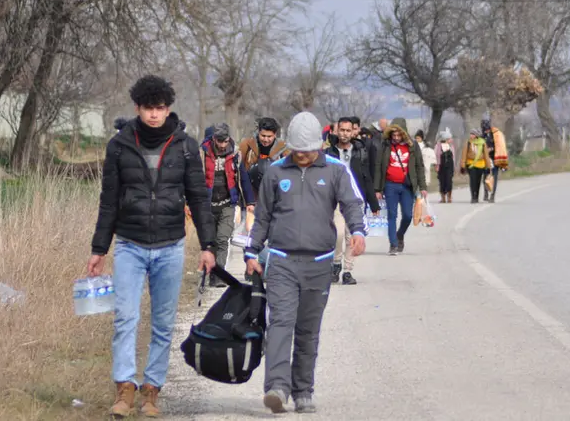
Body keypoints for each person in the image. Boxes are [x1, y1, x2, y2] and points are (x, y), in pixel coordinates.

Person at [87, 75, 216, 418]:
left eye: (160, 109)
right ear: (138, 108)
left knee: (162, 322)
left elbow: (199, 198)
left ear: (168, 108)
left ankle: (152, 391)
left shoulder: (186, 146)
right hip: (129, 244)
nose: (155, 115)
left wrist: (208, 245)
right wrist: (99, 249)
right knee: (126, 318)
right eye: (149, 109)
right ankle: (124, 388)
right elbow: (108, 201)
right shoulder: (119, 146)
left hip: (171, 246)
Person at [243, 111, 367, 414]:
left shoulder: (336, 170)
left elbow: (352, 203)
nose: (303, 156)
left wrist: (359, 232)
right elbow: (262, 217)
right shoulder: (275, 172)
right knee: (281, 323)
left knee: (308, 329)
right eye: (297, 151)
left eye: (308, 151)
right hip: (282, 261)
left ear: (320, 146)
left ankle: (303, 391)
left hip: (320, 262)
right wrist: (251, 252)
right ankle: (277, 388)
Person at [325, 116, 380, 285]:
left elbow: (367, 177)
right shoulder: (329, 153)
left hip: (355, 199)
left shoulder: (360, 151)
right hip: (334, 200)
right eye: (342, 130)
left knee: (352, 236)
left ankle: (348, 270)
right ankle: (335, 263)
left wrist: (373, 202)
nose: (345, 134)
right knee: (338, 234)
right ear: (336, 131)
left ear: (353, 132)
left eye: (348, 130)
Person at [201, 123, 251, 287]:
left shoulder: (235, 154)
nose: (222, 145)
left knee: (223, 239)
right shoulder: (203, 154)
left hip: (228, 203)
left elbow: (243, 178)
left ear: (229, 139)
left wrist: (250, 201)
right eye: (219, 141)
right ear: (214, 139)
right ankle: (211, 273)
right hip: (208, 203)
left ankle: (219, 276)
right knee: (211, 240)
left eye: (225, 141)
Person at [374, 121, 428, 256]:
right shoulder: (385, 145)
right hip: (390, 185)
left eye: (399, 135)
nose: (396, 137)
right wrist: (377, 189)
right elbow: (379, 166)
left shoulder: (413, 145)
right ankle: (393, 244)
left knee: (408, 216)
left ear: (404, 133)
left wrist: (423, 186)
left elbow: (419, 166)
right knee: (392, 215)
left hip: (407, 186)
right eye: (394, 135)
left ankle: (400, 234)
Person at [460, 129, 493, 204]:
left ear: (476, 135)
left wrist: (488, 166)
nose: (471, 135)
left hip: (481, 165)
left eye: (473, 134)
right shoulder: (468, 143)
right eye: (471, 134)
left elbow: (486, 155)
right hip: (471, 164)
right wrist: (463, 165)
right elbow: (464, 154)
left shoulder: (482, 143)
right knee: (472, 181)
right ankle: (473, 197)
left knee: (478, 181)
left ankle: (476, 196)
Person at [480, 119, 509, 203]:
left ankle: (492, 195)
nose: (485, 130)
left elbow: (500, 146)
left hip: (495, 158)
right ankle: (486, 193)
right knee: (485, 176)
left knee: (494, 177)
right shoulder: (482, 136)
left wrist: (491, 149)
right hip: (485, 159)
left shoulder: (496, 134)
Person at [434, 129, 455, 203]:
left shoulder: (451, 146)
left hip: (450, 166)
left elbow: (453, 157)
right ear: (446, 139)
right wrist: (436, 166)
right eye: (449, 138)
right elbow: (435, 156)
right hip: (441, 166)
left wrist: (454, 167)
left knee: (449, 182)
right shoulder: (438, 146)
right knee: (442, 182)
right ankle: (443, 198)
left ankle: (449, 197)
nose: (451, 140)